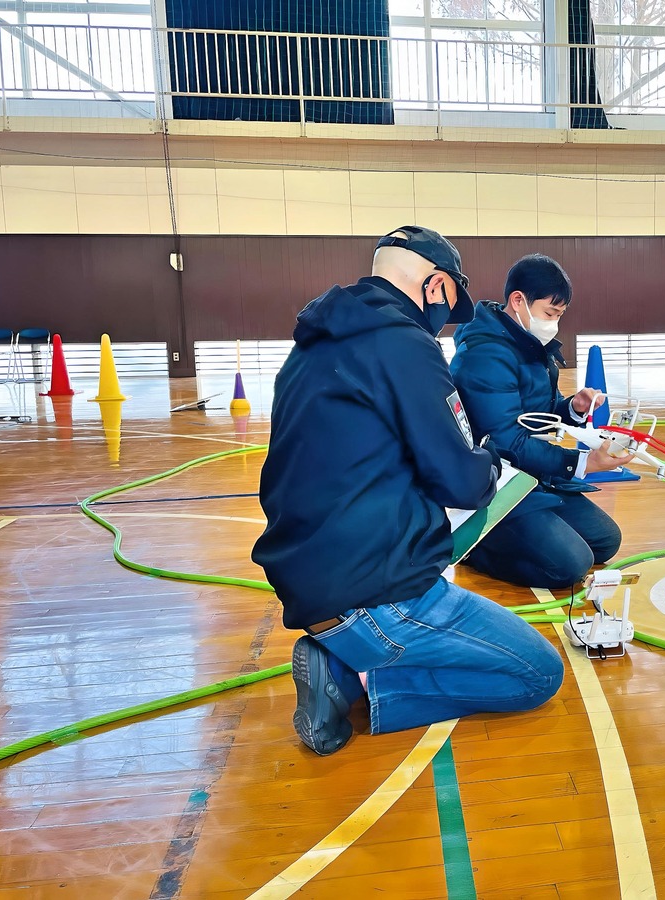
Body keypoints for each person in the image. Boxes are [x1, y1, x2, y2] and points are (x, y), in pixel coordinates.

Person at [252, 226, 564, 756]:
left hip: (309, 585)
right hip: (380, 594)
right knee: (538, 675)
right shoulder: (404, 345)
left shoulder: (309, 348)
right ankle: (358, 682)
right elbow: (464, 482)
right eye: (447, 304)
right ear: (437, 286)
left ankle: (343, 660)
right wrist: (491, 458)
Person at [449, 253, 632, 590]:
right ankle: (476, 545)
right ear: (518, 301)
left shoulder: (529, 345)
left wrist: (573, 408)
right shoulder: (484, 355)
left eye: (559, 315)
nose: (554, 323)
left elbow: (538, 418)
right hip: (497, 483)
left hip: (533, 476)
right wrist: (583, 462)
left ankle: (531, 530)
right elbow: (506, 441)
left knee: (605, 541)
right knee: (569, 565)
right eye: (550, 313)